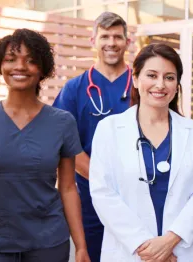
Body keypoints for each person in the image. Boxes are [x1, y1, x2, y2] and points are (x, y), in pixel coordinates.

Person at [89, 43, 193, 262]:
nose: (160, 84)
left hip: (180, 252)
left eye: (169, 77)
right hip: (130, 252)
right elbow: (103, 193)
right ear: (135, 78)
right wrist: (148, 248)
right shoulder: (109, 129)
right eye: (152, 75)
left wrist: (170, 241)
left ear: (177, 84)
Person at [0, 29, 89, 261]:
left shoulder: (61, 122)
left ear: (42, 69)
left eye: (30, 61)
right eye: (11, 59)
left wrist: (80, 247)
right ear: (0, 66)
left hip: (47, 242)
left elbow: (68, 188)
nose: (20, 66)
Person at [53, 11, 132, 262]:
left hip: (136, 192)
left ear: (127, 42)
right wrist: (103, 180)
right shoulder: (75, 89)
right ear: (93, 40)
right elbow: (65, 143)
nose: (111, 43)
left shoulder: (142, 84)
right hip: (89, 197)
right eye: (105, 36)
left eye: (118, 37)